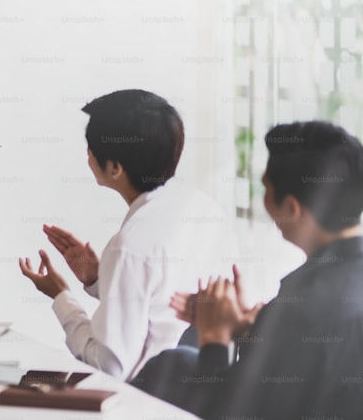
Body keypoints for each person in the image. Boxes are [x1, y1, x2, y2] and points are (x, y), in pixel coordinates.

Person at [132, 121, 363, 419]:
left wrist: (216, 337)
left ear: (292, 208)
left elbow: (230, 411)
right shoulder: (328, 291)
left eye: (265, 187)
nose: (262, 199)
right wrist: (247, 329)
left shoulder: (300, 309)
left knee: (167, 366)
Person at [17, 89, 233, 381]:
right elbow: (159, 300)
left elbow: (109, 367)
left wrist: (60, 296)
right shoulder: (205, 209)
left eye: (91, 148)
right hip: (193, 399)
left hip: (143, 402)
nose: (88, 154)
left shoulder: (129, 246)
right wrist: (97, 278)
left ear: (116, 168)